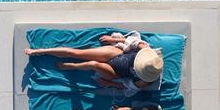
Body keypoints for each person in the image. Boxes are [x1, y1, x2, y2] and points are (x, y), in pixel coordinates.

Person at [25, 32, 163, 91]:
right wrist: (113, 40)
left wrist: (109, 84)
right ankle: (40, 51)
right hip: (118, 54)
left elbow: (128, 86)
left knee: (92, 64)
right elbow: (132, 41)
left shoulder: (146, 80)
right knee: (76, 53)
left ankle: (72, 66)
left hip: (115, 72)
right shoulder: (146, 51)